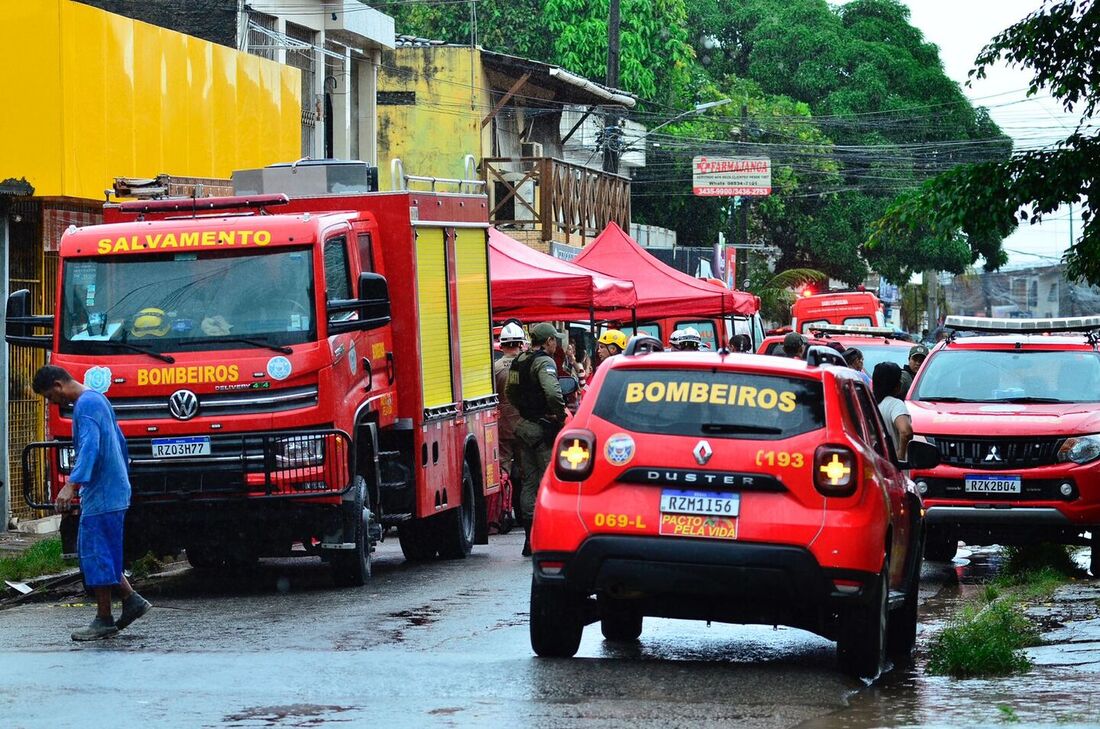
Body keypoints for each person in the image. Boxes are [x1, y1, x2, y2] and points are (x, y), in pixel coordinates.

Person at [32, 365, 151, 641]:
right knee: (102, 552)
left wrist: (71, 485)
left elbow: (90, 448)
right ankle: (131, 600)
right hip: (113, 489)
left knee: (96, 554)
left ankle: (105, 619)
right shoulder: (97, 399)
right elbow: (119, 443)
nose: (53, 402)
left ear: (59, 385)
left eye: (50, 396)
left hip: (103, 493)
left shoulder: (85, 406)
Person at [505, 323, 567, 556]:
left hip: (524, 427)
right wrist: (559, 415)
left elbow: (510, 392)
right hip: (542, 428)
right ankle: (548, 537)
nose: (556, 344)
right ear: (549, 340)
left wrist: (524, 410)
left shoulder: (519, 360)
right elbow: (552, 392)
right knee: (550, 481)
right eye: (555, 340)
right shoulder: (544, 362)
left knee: (529, 483)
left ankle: (529, 541)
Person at [493, 322, 526, 477]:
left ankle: (503, 499)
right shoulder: (528, 366)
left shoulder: (495, 368)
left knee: (501, 470)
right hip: (524, 427)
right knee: (526, 472)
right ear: (521, 344)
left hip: (502, 427)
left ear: (502, 345)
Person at [872, 362, 912, 460]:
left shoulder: (869, 403)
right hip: (893, 467)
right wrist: (900, 455)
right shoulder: (895, 405)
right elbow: (906, 432)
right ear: (897, 385)